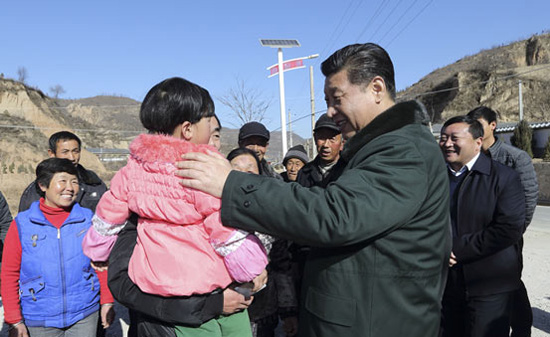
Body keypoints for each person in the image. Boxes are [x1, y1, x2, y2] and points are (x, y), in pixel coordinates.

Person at [176, 43, 451, 337]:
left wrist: (231, 184)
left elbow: (334, 214)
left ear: (376, 88)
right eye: (326, 101)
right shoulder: (376, 148)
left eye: (337, 99)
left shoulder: (404, 150)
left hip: (374, 323)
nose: (330, 112)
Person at [82, 77, 268, 337]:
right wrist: (252, 267)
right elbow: (221, 224)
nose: (213, 128)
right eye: (208, 121)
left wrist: (98, 250)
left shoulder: (132, 168)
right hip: (207, 283)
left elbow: (109, 213)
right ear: (188, 129)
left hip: (163, 287)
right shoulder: (200, 167)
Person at [1, 158, 114, 337]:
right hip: (39, 317)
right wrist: (14, 319)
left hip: (84, 314)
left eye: (74, 181)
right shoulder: (22, 224)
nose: (70, 187)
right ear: (43, 185)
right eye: (62, 181)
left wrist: (107, 300)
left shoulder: (87, 219)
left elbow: (100, 262)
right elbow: (9, 273)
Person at [438, 116, 525, 337]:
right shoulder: (433, 177)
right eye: (443, 138)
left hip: (489, 284)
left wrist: (456, 248)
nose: (447, 143)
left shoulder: (503, 177)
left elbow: (509, 227)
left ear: (478, 142)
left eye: (454, 138)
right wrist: (437, 247)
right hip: (444, 283)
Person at [466, 106, 538, 337]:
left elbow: (528, 199)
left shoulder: (515, 157)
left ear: (493, 126)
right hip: (477, 237)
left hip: (507, 238)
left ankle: (520, 328)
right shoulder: (470, 158)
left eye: (478, 123)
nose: (474, 128)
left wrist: (512, 234)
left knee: (510, 284)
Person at [227, 148, 299, 337]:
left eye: (250, 171)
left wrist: (288, 311)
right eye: (237, 170)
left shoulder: (270, 217)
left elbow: (282, 267)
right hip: (223, 315)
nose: (244, 177)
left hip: (264, 316)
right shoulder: (210, 216)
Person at [18, 131, 107, 213]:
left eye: (75, 151)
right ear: (52, 154)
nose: (72, 157)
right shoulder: (40, 188)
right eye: (65, 152)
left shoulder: (93, 183)